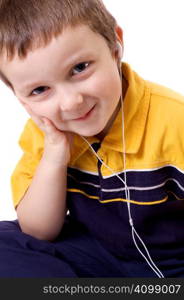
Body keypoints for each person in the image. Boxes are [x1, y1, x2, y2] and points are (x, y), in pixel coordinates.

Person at [0, 0, 184, 278]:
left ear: (115, 46)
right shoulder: (45, 133)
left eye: (79, 68)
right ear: (21, 98)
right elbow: (39, 231)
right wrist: (55, 152)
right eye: (39, 90)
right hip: (101, 255)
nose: (71, 102)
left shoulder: (173, 119)